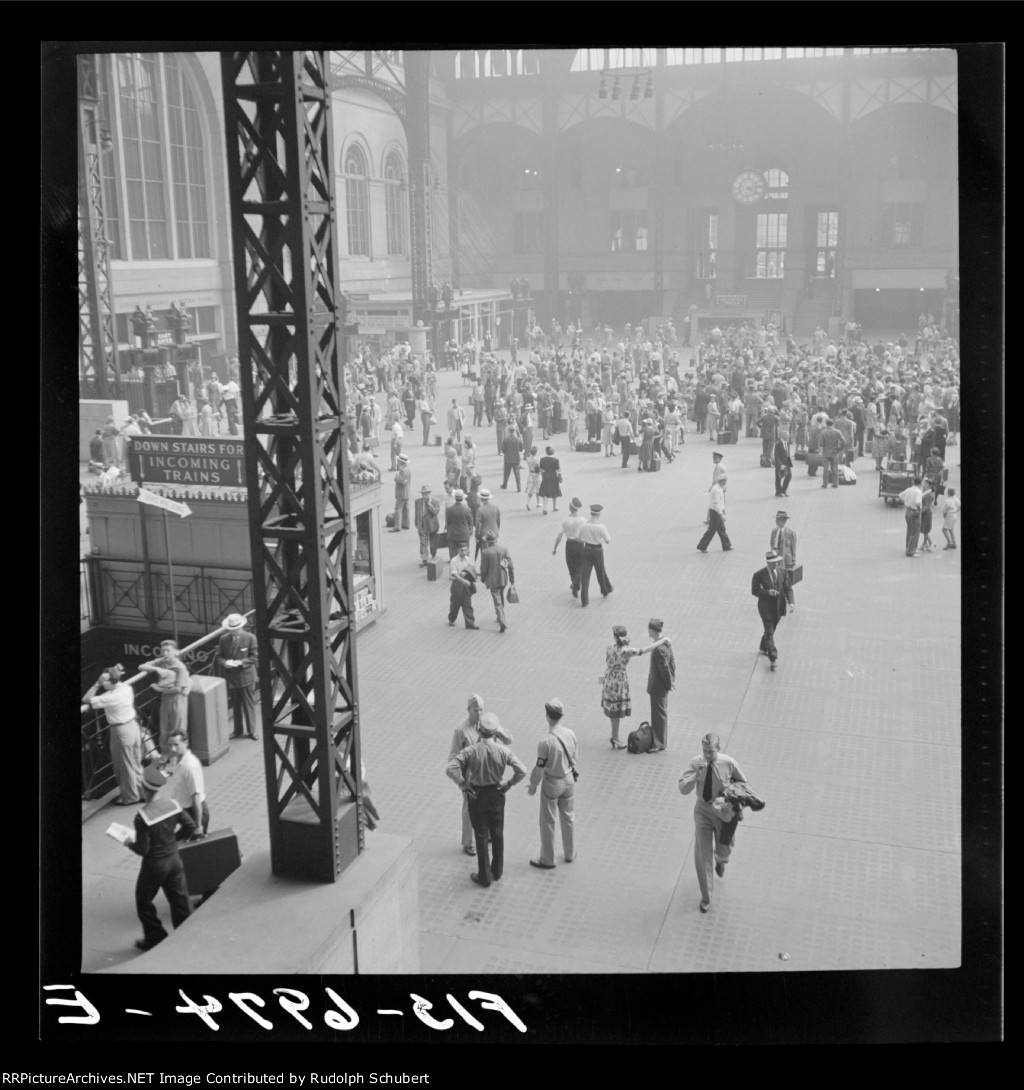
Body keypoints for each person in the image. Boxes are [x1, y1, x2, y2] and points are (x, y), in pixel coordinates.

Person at [446, 711, 527, 887]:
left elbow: (450, 768)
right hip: (497, 794)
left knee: (481, 835)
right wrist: (509, 784)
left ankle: (484, 876)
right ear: (495, 732)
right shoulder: (503, 751)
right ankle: (497, 870)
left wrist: (463, 784)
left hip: (477, 796)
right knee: (497, 834)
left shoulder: (471, 751)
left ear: (479, 730)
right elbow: (522, 770)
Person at [124, 764, 196, 950]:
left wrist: (129, 843)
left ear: (143, 789)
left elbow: (143, 849)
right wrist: (173, 840)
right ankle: (186, 933)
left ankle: (155, 937)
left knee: (143, 900)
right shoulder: (173, 805)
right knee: (180, 899)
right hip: (174, 860)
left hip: (154, 866)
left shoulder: (142, 817)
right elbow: (190, 826)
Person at [678, 733, 748, 913]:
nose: (707, 755)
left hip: (722, 811)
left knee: (725, 846)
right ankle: (706, 897)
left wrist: (732, 800)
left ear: (718, 749)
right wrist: (696, 776)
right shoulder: (696, 763)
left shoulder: (729, 763)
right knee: (703, 855)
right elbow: (683, 789)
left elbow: (742, 783)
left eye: (710, 751)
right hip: (703, 810)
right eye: (704, 751)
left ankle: (721, 859)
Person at [448, 694, 513, 856]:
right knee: (469, 809)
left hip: (490, 775)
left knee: (489, 807)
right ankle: (468, 842)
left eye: (482, 709)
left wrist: (499, 731)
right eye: (476, 710)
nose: (479, 713)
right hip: (472, 778)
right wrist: (461, 782)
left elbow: (508, 740)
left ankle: (488, 835)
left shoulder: (488, 724)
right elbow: (453, 760)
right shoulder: (461, 731)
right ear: (468, 710)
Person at [600, 625, 673, 749]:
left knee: (612, 711)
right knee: (616, 713)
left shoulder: (609, 647)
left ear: (615, 637)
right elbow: (645, 650)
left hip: (609, 680)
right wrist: (663, 640)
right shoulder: (627, 651)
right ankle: (615, 738)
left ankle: (614, 736)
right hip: (619, 683)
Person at [81, 664, 144, 805]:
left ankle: (130, 798)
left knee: (124, 765)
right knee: (135, 761)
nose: (102, 683)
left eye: (104, 681)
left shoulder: (110, 697)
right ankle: (141, 792)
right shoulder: (126, 688)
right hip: (133, 726)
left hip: (121, 731)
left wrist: (96, 684)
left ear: (111, 682)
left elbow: (86, 699)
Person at [527, 698, 578, 869]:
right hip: (569, 780)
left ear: (547, 716)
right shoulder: (570, 734)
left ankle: (547, 859)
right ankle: (570, 853)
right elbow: (575, 757)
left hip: (552, 783)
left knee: (548, 821)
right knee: (568, 817)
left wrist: (533, 785)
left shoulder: (545, 742)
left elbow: (540, 767)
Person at [138, 641, 191, 754]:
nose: (165, 653)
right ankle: (166, 757)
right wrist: (157, 669)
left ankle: (178, 757)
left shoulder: (180, 668)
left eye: (168, 651)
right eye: (163, 651)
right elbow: (141, 666)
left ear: (175, 652)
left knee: (177, 731)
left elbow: (179, 689)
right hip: (166, 699)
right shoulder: (162, 662)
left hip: (177, 700)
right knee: (164, 732)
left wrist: (159, 689)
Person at [215, 612, 259, 740]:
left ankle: (252, 731)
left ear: (241, 627)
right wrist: (225, 663)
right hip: (232, 677)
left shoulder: (250, 638)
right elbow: (218, 657)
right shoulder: (223, 639)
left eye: (236, 629)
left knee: (248, 704)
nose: (234, 631)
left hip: (246, 677)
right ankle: (238, 730)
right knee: (236, 705)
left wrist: (241, 663)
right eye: (232, 629)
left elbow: (255, 657)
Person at [166, 729, 209, 834]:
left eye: (176, 745)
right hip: (184, 812)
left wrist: (198, 826)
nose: (172, 749)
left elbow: (196, 797)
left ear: (185, 742)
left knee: (178, 842)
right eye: (170, 745)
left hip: (194, 814)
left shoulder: (189, 766)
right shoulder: (177, 759)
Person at [752, 551, 789, 669]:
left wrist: (792, 602)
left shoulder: (782, 571)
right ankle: (773, 657)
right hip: (766, 608)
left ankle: (764, 646)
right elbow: (754, 590)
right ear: (768, 562)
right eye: (773, 562)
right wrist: (768, 592)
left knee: (771, 630)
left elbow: (788, 588)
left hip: (778, 607)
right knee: (769, 631)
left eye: (777, 562)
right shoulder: (759, 574)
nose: (776, 564)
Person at [645, 618, 676, 753]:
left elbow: (664, 669)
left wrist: (669, 684)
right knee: (660, 712)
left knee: (658, 715)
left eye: (649, 629)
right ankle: (659, 740)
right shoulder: (666, 643)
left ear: (652, 630)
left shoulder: (658, 649)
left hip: (658, 686)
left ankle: (659, 743)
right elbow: (672, 663)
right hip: (662, 685)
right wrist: (672, 680)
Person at [479, 530, 514, 634]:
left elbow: (484, 568)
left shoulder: (485, 552)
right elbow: (510, 566)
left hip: (492, 580)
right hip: (503, 579)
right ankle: (500, 615)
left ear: (487, 542)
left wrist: (483, 578)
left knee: (497, 601)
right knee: (500, 596)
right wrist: (512, 580)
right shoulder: (503, 550)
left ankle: (502, 621)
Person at [578, 503, 613, 607]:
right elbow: (608, 540)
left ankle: (584, 600)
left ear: (591, 513)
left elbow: (578, 539)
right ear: (599, 515)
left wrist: (587, 540)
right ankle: (605, 590)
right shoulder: (601, 527)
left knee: (585, 576)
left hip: (587, 550)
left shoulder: (584, 525)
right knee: (600, 572)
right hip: (597, 551)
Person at [552, 497, 586, 597]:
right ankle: (575, 585)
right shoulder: (583, 520)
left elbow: (559, 535)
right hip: (580, 545)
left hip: (569, 545)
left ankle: (574, 583)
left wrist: (555, 548)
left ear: (570, 507)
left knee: (571, 566)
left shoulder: (565, 520)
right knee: (580, 566)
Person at [447, 541, 480, 629]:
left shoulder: (468, 559)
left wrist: (466, 573)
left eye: (465, 550)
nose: (464, 552)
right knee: (455, 604)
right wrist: (463, 580)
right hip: (457, 585)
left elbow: (472, 569)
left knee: (467, 604)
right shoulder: (454, 560)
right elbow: (454, 574)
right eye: (462, 550)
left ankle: (470, 623)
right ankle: (452, 619)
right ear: (458, 550)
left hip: (466, 586)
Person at [697, 477, 732, 553]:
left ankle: (726, 545)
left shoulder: (719, 488)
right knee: (711, 531)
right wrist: (721, 514)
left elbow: (721, 502)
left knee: (721, 529)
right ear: (722, 481)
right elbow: (716, 504)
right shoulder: (716, 490)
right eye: (725, 482)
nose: (725, 484)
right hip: (715, 513)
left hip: (716, 512)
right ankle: (702, 546)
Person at [445, 488, 475, 559]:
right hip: (464, 535)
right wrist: (471, 531)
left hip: (453, 535)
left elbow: (447, 522)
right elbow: (470, 522)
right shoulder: (467, 510)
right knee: (465, 553)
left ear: (455, 498)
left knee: (453, 554)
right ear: (462, 498)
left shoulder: (450, 509)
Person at [898, 476, 925, 556]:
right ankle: (911, 551)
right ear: (921, 483)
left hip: (908, 511)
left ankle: (909, 547)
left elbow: (900, 496)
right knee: (915, 532)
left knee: (909, 530)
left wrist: (907, 502)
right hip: (915, 512)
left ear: (913, 482)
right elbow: (918, 503)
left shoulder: (908, 489)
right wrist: (919, 511)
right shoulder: (918, 492)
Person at [415, 485, 441, 567]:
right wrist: (417, 524)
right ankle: (424, 559)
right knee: (423, 543)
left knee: (433, 543)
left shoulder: (435, 501)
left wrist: (430, 505)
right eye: (423, 494)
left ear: (430, 493)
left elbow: (436, 512)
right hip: (422, 526)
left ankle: (433, 555)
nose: (425, 496)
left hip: (432, 526)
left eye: (426, 494)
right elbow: (416, 513)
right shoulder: (418, 501)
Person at [474, 487, 501, 560]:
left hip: (484, 534)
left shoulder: (480, 509)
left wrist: (477, 536)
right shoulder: (496, 508)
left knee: (485, 554)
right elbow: (498, 521)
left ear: (481, 498)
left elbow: (478, 525)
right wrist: (497, 530)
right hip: (494, 533)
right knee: (493, 551)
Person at [818, 418, 845, 488]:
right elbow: (843, 441)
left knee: (825, 469)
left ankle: (825, 484)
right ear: (833, 424)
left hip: (826, 452)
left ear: (826, 424)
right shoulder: (837, 432)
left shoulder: (823, 432)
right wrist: (839, 449)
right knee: (835, 468)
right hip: (834, 452)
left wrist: (820, 451)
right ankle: (835, 483)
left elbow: (821, 444)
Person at [390, 453, 412, 531]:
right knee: (406, 509)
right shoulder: (408, 469)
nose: (397, 462)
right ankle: (406, 524)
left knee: (398, 509)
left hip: (401, 493)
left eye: (398, 461)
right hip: (407, 493)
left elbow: (402, 482)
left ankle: (397, 526)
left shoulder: (402, 471)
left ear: (400, 462)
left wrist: (396, 477)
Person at [501, 425, 524, 492]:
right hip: (516, 459)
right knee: (517, 474)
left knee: (506, 473)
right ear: (515, 431)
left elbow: (503, 450)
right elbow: (521, 449)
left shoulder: (506, 440)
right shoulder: (519, 439)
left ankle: (505, 485)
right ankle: (518, 487)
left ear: (509, 431)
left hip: (508, 459)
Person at [524, 446, 541, 511]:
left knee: (531, 491)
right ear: (536, 452)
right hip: (537, 475)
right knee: (538, 489)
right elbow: (539, 467)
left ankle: (527, 502)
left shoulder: (528, 459)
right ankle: (538, 503)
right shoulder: (538, 459)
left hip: (530, 475)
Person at [920, 484, 937, 551]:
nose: (924, 485)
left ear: (930, 485)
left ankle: (931, 543)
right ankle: (924, 544)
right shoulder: (927, 492)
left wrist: (920, 512)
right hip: (925, 513)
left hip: (926, 514)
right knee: (925, 529)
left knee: (925, 530)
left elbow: (927, 506)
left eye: (926, 484)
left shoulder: (928, 494)